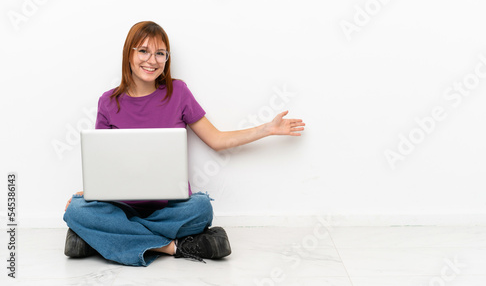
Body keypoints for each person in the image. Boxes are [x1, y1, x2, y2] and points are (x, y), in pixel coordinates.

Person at [63, 21, 305, 267]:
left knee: (201, 208)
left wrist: (266, 129)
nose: (152, 60)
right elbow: (101, 162)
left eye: (160, 53)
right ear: (129, 54)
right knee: (76, 210)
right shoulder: (108, 102)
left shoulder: (178, 93)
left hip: (169, 208)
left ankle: (99, 238)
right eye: (143, 51)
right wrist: (89, 190)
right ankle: (172, 247)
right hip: (121, 207)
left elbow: (217, 140)